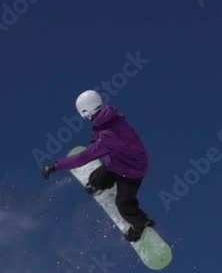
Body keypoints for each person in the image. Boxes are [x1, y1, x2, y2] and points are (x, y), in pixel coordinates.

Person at [42, 90, 155, 242]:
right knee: (95, 180)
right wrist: (96, 140)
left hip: (132, 172)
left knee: (124, 205)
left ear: (85, 112)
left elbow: (83, 157)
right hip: (117, 162)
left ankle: (140, 225)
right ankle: (101, 184)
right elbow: (102, 132)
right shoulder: (109, 116)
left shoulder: (107, 136)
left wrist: (55, 166)